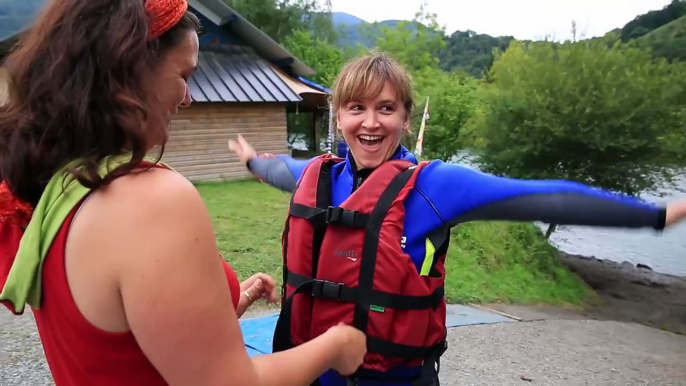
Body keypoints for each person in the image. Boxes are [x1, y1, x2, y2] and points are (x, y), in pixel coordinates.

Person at [228, 51, 686, 386]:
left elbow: (544, 198)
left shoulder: (435, 186)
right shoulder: (317, 175)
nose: (370, 123)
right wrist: (252, 161)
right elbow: (277, 168)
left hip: (396, 379)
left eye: (386, 108)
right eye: (357, 108)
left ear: (406, 119)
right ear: (339, 115)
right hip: (314, 373)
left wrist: (653, 215)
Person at [0, 1, 366, 385]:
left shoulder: (63, 188)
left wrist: (230, 302)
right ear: (131, 70)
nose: (188, 97)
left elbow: (125, 342)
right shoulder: (150, 201)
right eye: (184, 74)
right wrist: (337, 344)